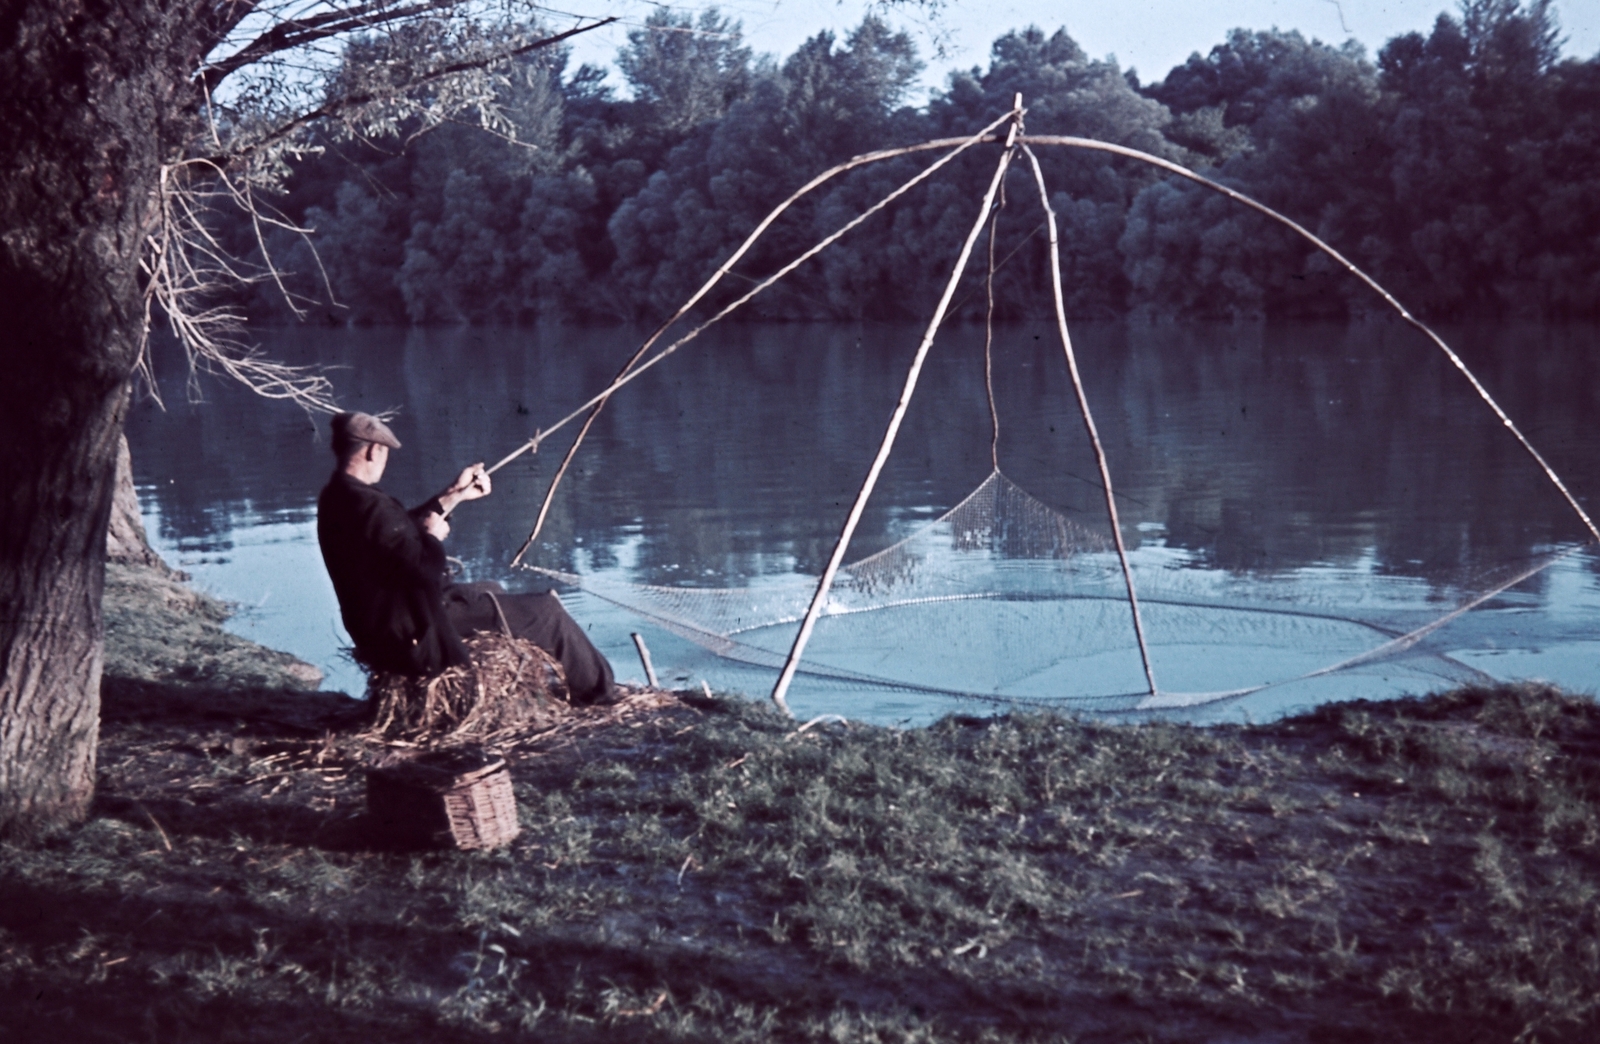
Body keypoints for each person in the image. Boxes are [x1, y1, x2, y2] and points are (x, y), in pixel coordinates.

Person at [317, 411, 617, 704]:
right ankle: (602, 694)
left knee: (491, 589)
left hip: (386, 628)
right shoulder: (368, 504)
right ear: (373, 450)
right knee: (547, 611)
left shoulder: (339, 497)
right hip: (413, 633)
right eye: (385, 452)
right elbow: (424, 568)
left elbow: (395, 535)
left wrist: (454, 494)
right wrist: (433, 538)